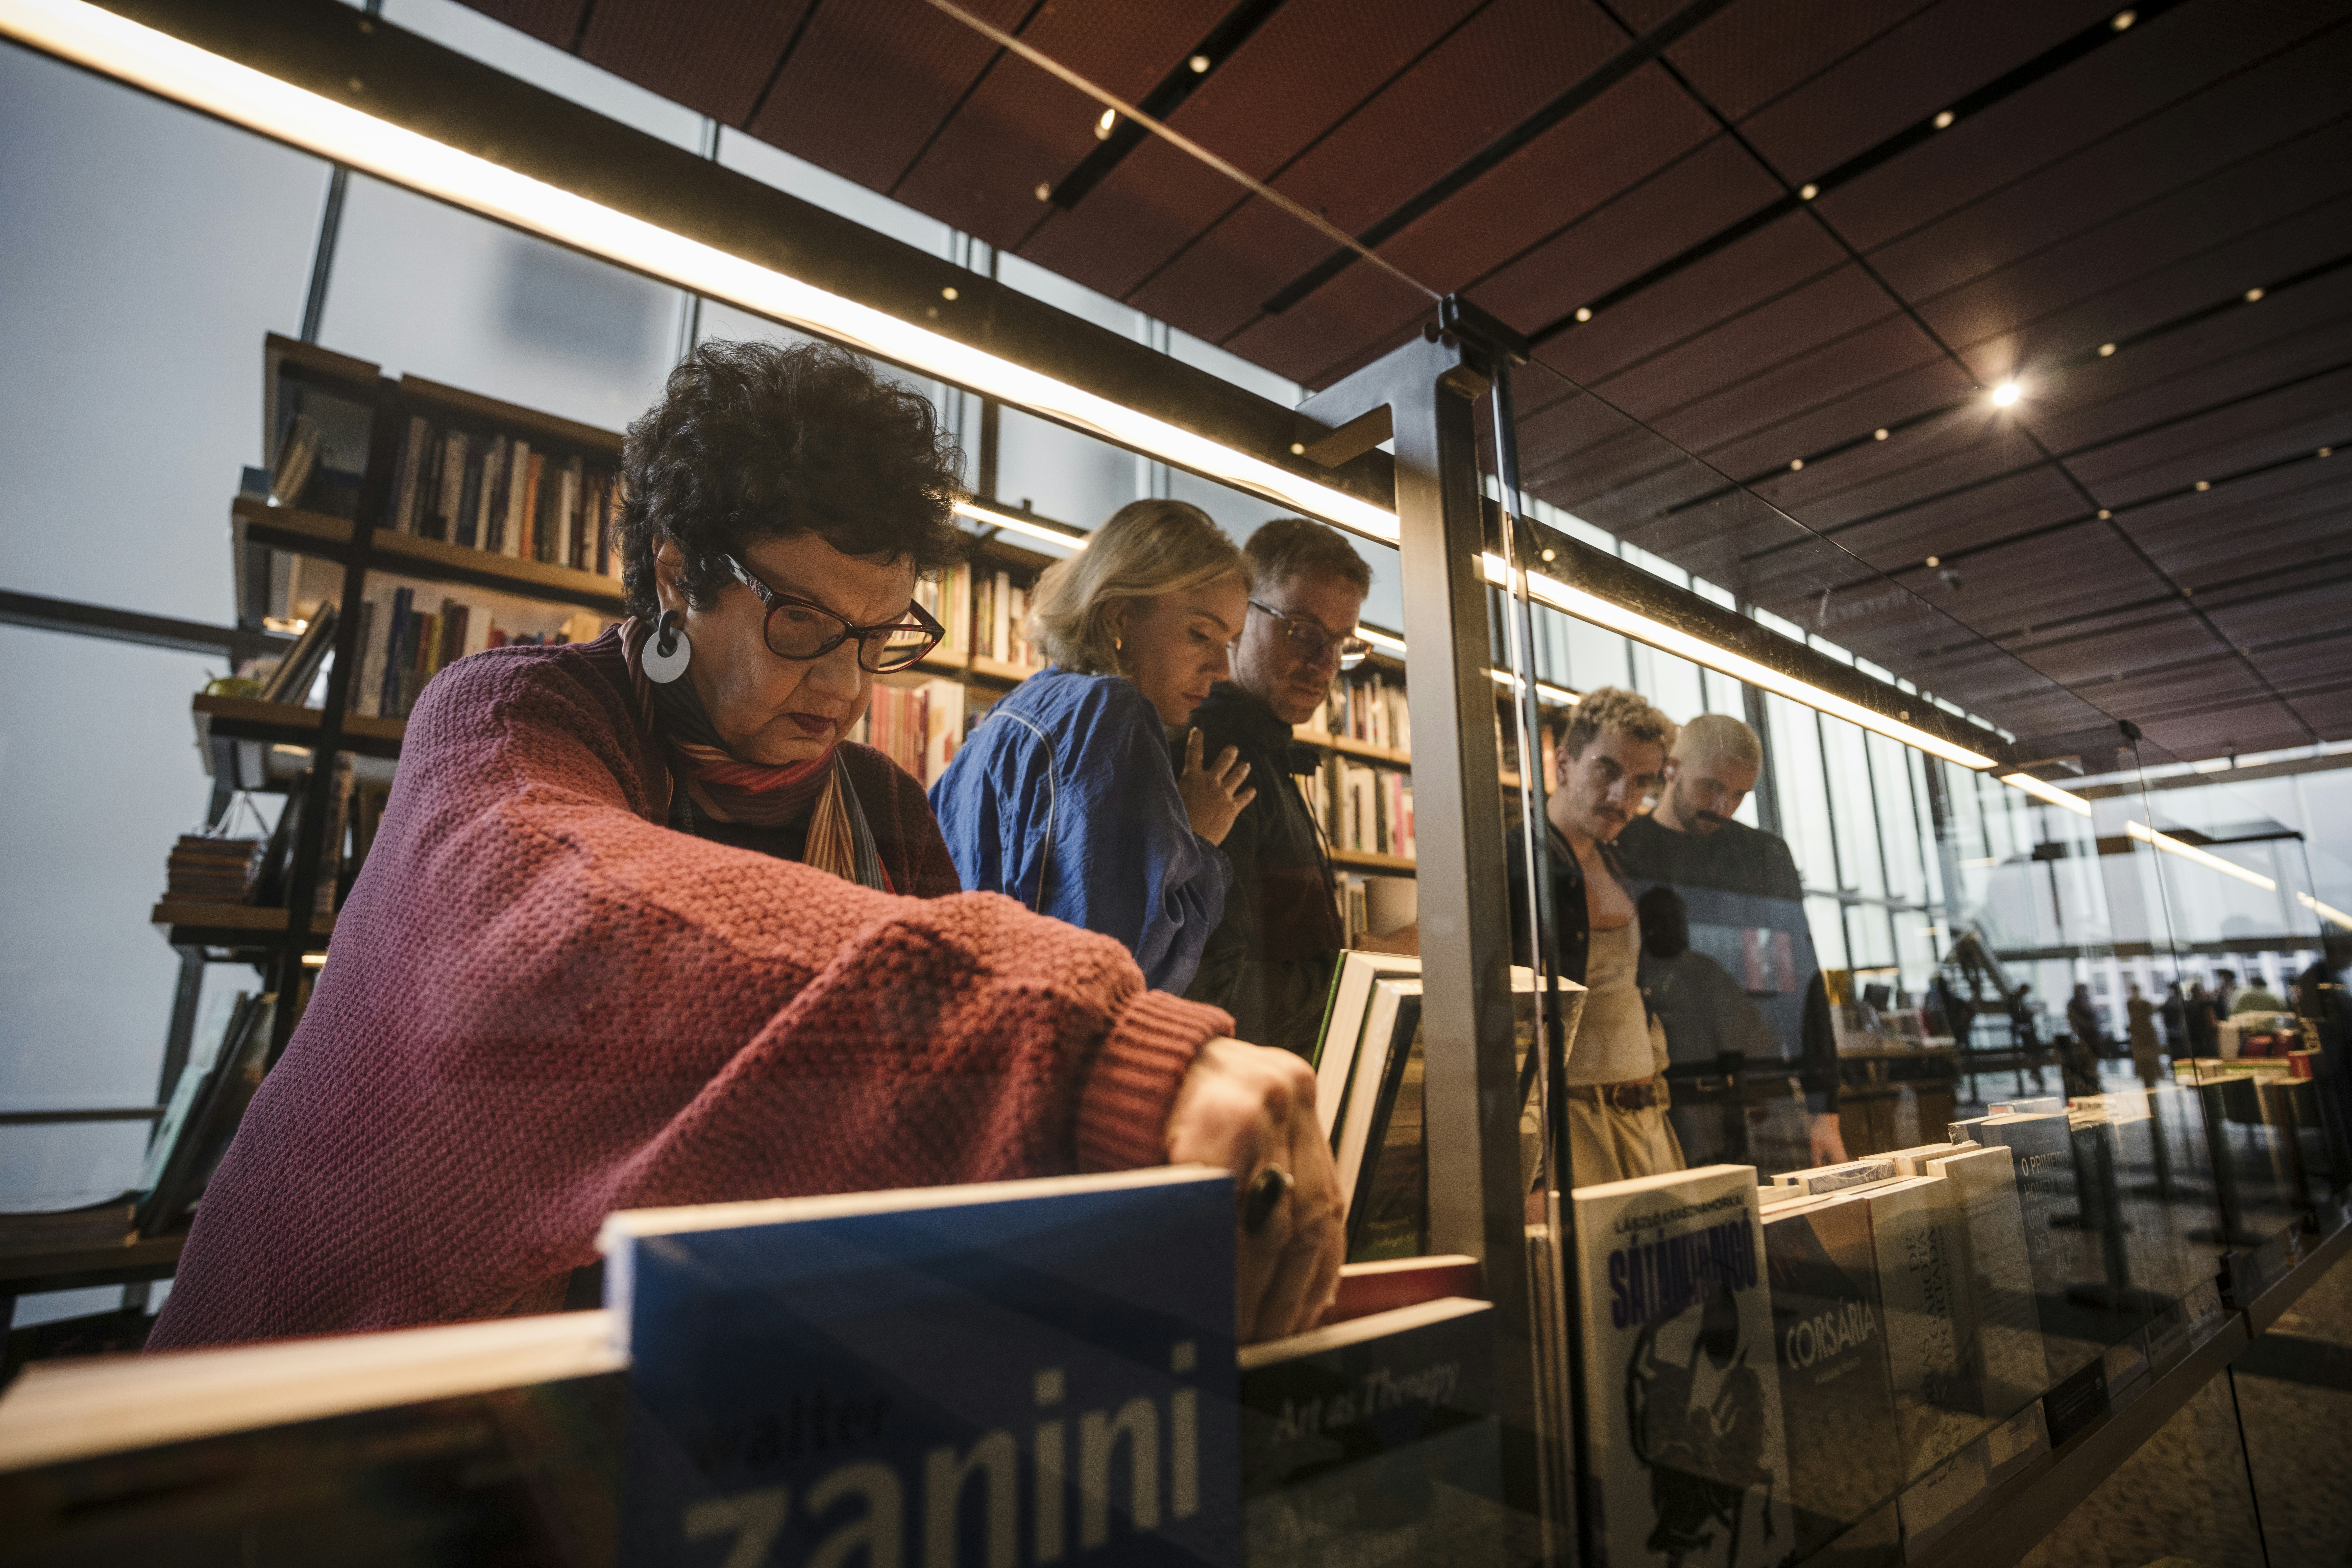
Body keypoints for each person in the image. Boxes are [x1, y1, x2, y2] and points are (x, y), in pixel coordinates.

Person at [149, 342, 1339, 1351]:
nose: (840, 682)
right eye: (802, 621)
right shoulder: (509, 721)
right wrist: (1094, 1057)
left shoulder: (881, 808)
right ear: (676, 573)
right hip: (304, 1422)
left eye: (877, 634)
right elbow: (563, 915)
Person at [931, 499, 1253, 994]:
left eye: (1229, 642)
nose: (1222, 669)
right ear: (1120, 615)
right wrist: (1198, 839)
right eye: (1200, 634)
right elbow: (1122, 976)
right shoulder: (1111, 709)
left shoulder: (1012, 711)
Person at [1184, 518, 1382, 1057]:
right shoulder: (1221, 755)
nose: (1325, 666)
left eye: (1341, 644)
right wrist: (1370, 967)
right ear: (1241, 614)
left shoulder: (1266, 752)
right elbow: (1216, 998)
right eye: (1302, 631)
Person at [1614, 712, 1847, 1169]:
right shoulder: (1626, 846)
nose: (1723, 807)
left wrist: (1826, 1109)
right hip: (1668, 1090)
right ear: (1671, 768)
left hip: (1762, 1086)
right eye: (1711, 788)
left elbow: (1803, 985)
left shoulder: (1764, 856)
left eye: (1739, 794)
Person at [1508, 687, 1682, 1186]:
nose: (1621, 797)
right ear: (1564, 763)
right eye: (1607, 770)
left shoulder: (1626, 865)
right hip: (1569, 1129)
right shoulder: (1517, 860)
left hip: (1647, 1120)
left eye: (1641, 783)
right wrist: (1530, 1175)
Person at [2127, 982, 2162, 1087]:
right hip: (2139, 1038)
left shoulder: (2144, 1004)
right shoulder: (2131, 1004)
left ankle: (2152, 1079)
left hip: (2147, 1037)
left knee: (2150, 1062)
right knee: (2144, 1063)